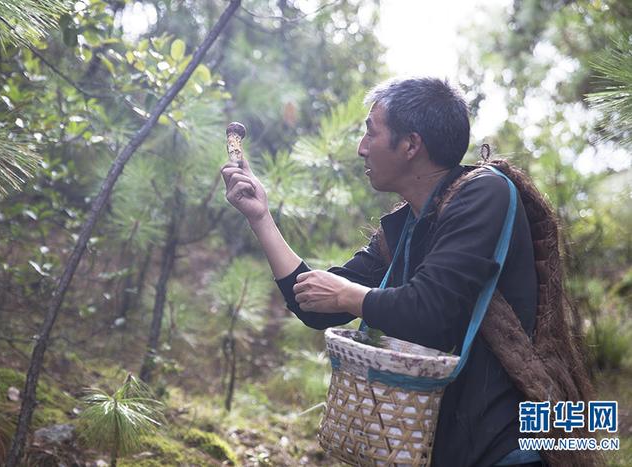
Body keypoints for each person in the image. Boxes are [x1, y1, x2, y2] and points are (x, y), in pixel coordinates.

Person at [220, 77, 542, 467]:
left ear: (410, 145)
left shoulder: (484, 193)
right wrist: (261, 218)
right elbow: (314, 305)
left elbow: (431, 313)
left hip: (496, 445)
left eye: (371, 133)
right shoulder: (402, 229)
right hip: (434, 445)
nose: (361, 148)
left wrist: (346, 294)